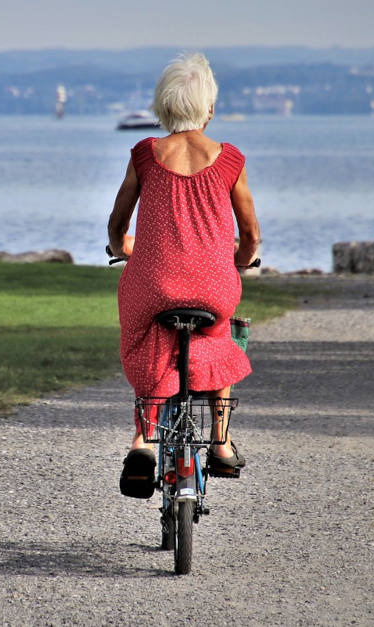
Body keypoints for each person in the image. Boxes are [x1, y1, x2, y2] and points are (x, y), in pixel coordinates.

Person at [107, 52, 261, 498]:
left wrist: (122, 249)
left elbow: (118, 224)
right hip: (212, 286)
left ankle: (143, 442)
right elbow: (250, 232)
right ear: (208, 108)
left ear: (163, 107)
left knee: (148, 336)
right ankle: (220, 441)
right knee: (217, 338)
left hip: (153, 284)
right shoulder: (229, 159)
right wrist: (243, 259)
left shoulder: (145, 154)